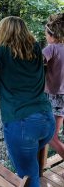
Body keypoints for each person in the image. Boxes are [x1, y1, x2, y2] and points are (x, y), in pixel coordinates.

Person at [0, 16, 55, 187]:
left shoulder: (2, 51)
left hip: (23, 124)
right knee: (31, 166)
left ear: (2, 32)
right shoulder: (35, 49)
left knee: (28, 177)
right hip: (47, 120)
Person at [42, 13, 64, 159]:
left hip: (56, 96)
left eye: (46, 34)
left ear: (51, 35)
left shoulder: (51, 48)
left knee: (51, 136)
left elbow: (33, 62)